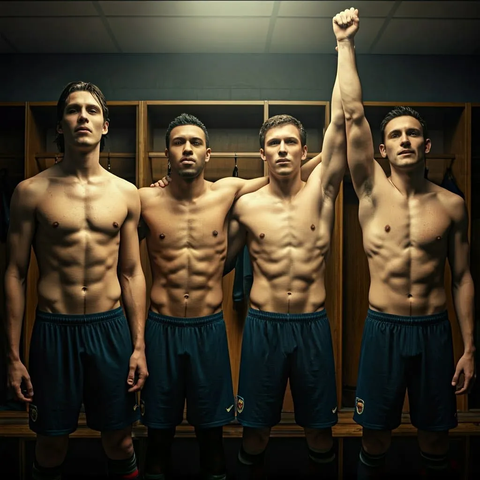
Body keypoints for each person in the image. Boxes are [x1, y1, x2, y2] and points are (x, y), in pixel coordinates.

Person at [334, 8, 476, 478]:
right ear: (382, 148)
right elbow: (352, 112)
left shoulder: (452, 205)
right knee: (374, 435)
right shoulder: (371, 191)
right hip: (384, 330)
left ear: (428, 145)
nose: (405, 140)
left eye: (414, 133)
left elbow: (462, 277)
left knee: (437, 436)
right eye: (394, 134)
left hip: (436, 332)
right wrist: (345, 45)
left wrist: (470, 347)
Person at [5, 81, 148, 480]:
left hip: (110, 329)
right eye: (72, 109)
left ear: (104, 125)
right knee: (50, 443)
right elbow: (15, 274)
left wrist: (139, 346)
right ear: (60, 125)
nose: (82, 116)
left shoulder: (126, 194)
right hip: (54, 330)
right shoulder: (30, 192)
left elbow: (131, 271)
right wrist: (14, 357)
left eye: (91, 110)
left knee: (119, 440)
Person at [226, 57, 346, 479]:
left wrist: (343, 47)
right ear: (262, 153)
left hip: (312, 325)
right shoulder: (246, 206)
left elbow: (342, 122)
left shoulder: (323, 192)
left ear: (305, 150)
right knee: (255, 432)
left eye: (290, 142)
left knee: (319, 433)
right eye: (274, 143)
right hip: (263, 326)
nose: (282, 149)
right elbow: (214, 261)